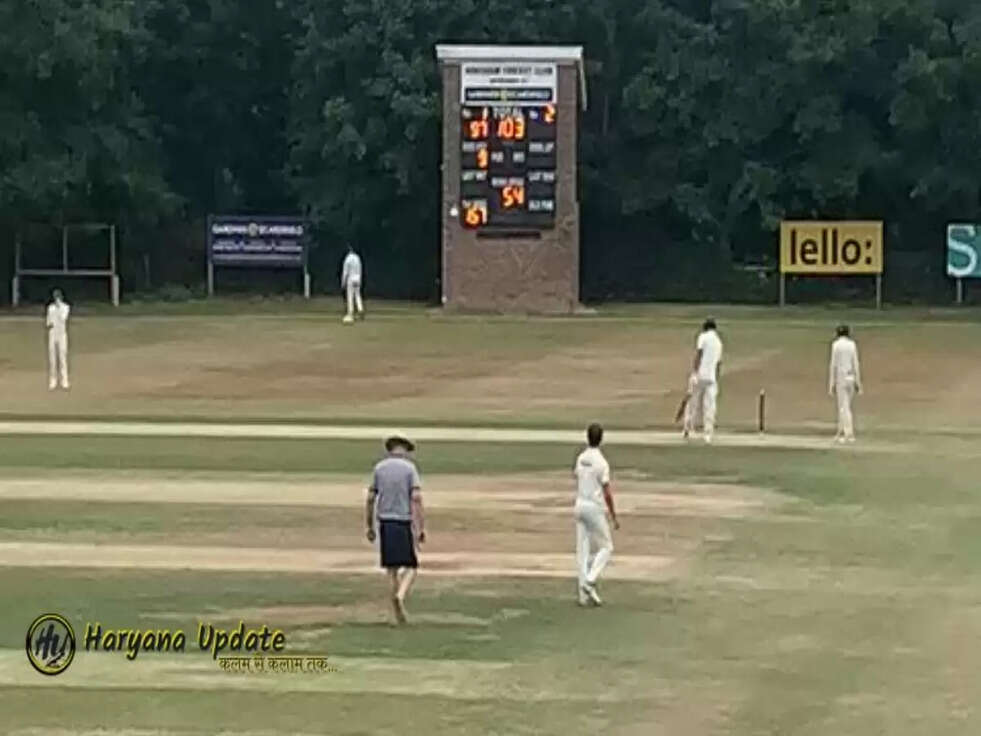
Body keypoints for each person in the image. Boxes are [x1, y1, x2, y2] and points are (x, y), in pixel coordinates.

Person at [365, 433, 425, 624]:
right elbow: (416, 498)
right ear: (403, 449)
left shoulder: (379, 468)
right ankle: (400, 595)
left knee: (391, 569)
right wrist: (420, 527)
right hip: (402, 521)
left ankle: (397, 609)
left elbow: (370, 499)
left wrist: (369, 525)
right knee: (412, 566)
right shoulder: (409, 469)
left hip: (384, 521)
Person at [573, 423, 619, 607]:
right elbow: (607, 491)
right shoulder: (601, 462)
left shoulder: (581, 458)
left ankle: (583, 595)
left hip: (579, 504)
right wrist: (613, 515)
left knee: (582, 550)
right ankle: (590, 580)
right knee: (607, 547)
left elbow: (578, 476)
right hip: (593, 506)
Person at [690, 318, 723, 443]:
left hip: (700, 375)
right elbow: (719, 363)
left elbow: (699, 354)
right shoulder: (719, 342)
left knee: (693, 403)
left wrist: (694, 372)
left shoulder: (703, 337)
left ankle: (688, 428)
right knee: (710, 406)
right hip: (712, 378)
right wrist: (716, 378)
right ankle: (708, 433)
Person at [829, 324, 862, 443]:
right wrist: (858, 382)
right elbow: (856, 363)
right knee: (845, 406)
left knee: (844, 406)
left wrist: (831, 383)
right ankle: (840, 432)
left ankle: (848, 434)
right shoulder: (852, 344)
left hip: (841, 378)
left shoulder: (836, 345)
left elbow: (834, 365)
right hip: (851, 377)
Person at [45, 289, 71, 390]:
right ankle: (53, 380)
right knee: (52, 358)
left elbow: (63, 318)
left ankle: (64, 380)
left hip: (62, 335)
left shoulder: (65, 307)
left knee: (62, 357)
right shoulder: (50, 308)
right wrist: (50, 323)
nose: (57, 299)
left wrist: (59, 307)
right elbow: (48, 322)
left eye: (58, 297)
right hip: (52, 334)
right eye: (55, 297)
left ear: (61, 297)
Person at [340, 246, 364, 323]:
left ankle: (350, 313)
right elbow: (360, 269)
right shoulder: (357, 258)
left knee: (350, 296)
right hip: (358, 278)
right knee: (357, 295)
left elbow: (345, 272)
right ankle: (360, 309)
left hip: (351, 278)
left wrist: (343, 282)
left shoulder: (347, 259)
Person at [675, 371, 700, 439]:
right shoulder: (695, 377)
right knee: (690, 413)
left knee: (689, 413)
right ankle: (688, 429)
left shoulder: (695, 377)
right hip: (692, 396)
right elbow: (692, 389)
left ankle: (687, 429)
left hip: (693, 396)